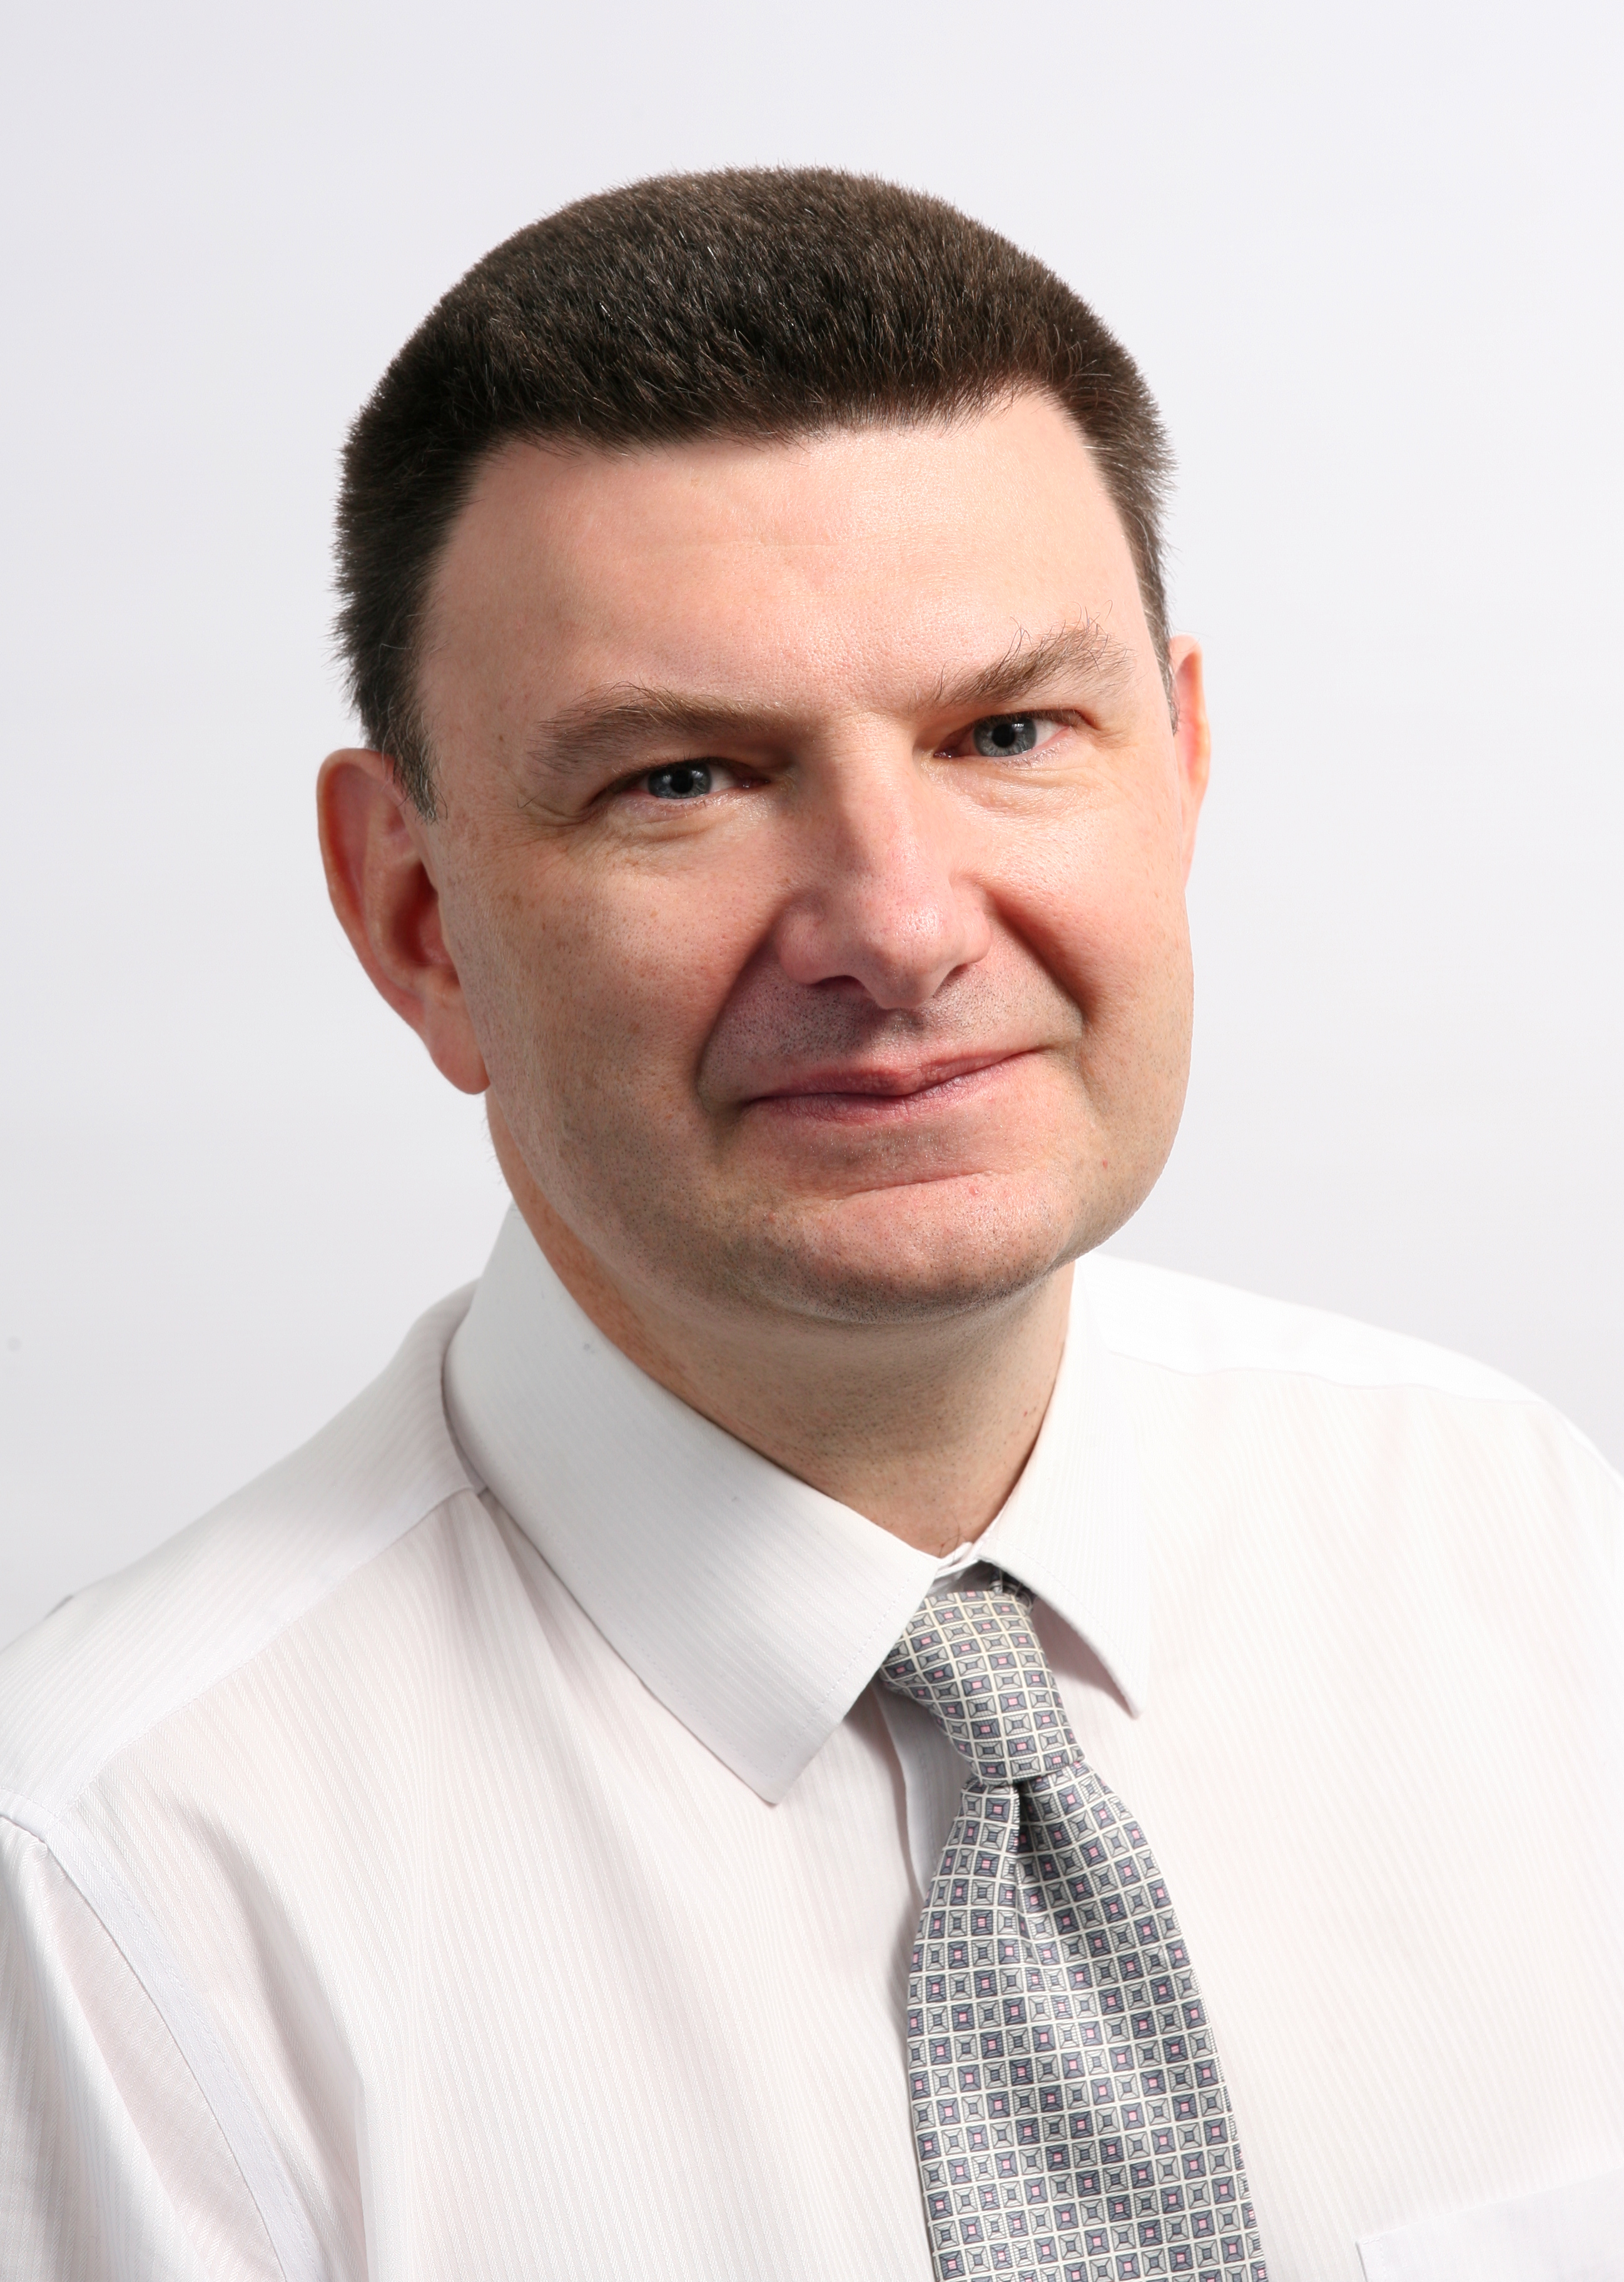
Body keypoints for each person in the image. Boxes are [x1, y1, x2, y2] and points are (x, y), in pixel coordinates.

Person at [1, 169, 1618, 2282]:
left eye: (1008, 733)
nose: (900, 925)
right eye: (682, 777)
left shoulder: (1520, 1549)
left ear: (1183, 765)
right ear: (415, 917)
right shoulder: (110, 1897)